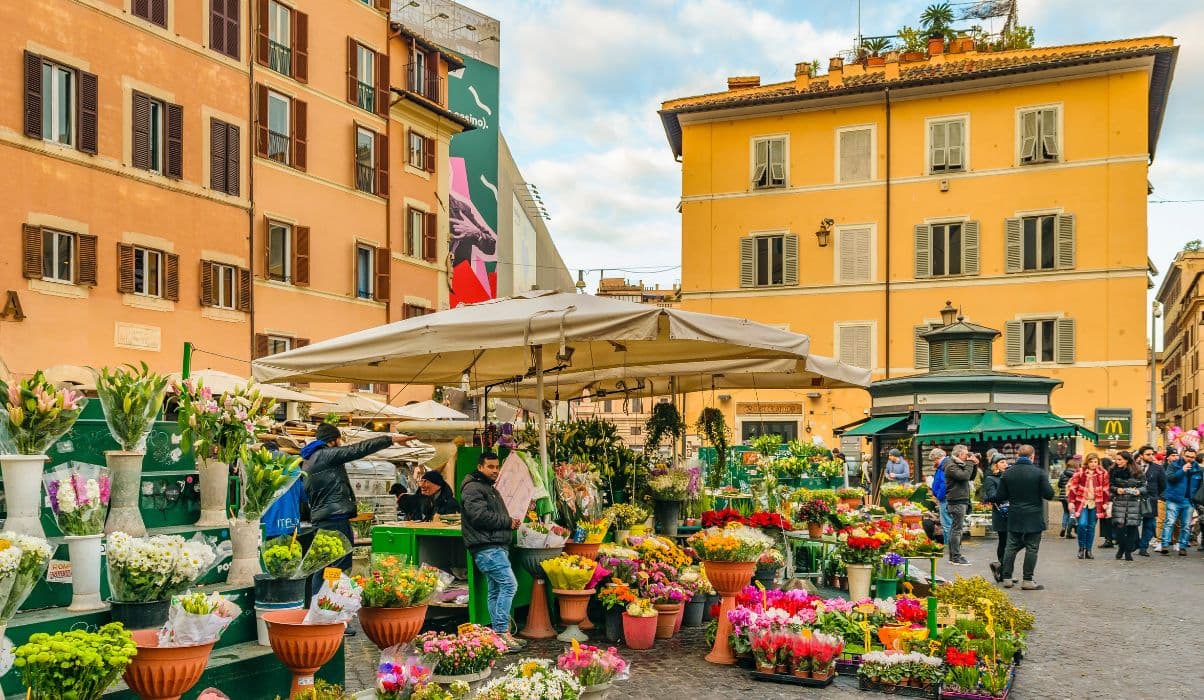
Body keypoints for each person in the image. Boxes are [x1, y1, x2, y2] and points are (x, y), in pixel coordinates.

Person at [302, 424, 415, 598]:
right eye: (339, 440)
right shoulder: (325, 455)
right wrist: (390, 439)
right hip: (335, 519)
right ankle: (324, 604)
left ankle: (321, 604)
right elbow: (357, 450)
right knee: (336, 564)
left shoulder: (308, 461)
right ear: (333, 441)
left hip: (324, 519)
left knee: (327, 563)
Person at [460, 451, 524, 651]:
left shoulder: (486, 487)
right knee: (509, 585)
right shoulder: (473, 488)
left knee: (495, 590)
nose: (495, 471)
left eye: (497, 467)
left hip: (493, 545)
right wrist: (508, 522)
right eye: (490, 467)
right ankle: (502, 632)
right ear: (480, 467)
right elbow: (479, 516)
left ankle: (499, 634)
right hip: (487, 547)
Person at [995, 445, 1054, 590]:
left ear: (1017, 456)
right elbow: (1049, 494)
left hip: (1015, 515)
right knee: (1032, 548)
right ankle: (1027, 580)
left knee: (1010, 546)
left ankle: (1007, 578)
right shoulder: (1039, 473)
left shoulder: (1008, 474)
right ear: (1032, 456)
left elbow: (1000, 496)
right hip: (1034, 516)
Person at [1161, 447, 1203, 556]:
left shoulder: (1198, 469)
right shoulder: (1174, 465)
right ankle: (1164, 545)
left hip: (1188, 501)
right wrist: (1182, 470)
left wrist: (1196, 499)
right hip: (1173, 499)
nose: (1189, 459)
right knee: (1169, 522)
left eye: (1192, 457)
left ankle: (1183, 546)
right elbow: (1170, 478)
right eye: (1187, 456)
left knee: (1186, 525)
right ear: (1183, 455)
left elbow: (1200, 486)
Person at [1067, 453, 1110, 560]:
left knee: (1091, 527)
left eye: (1095, 462)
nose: (1093, 464)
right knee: (1082, 524)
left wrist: (1106, 502)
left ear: (1098, 463)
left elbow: (1106, 489)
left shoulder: (1103, 473)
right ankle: (1081, 548)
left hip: (1096, 503)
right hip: (1082, 502)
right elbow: (1073, 487)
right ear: (1087, 462)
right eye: (1091, 461)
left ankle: (1089, 550)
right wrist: (1071, 501)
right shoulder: (1080, 472)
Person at [1107, 451, 1146, 562]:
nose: (1117, 462)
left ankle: (1128, 552)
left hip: (1133, 503)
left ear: (1127, 460)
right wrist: (1116, 489)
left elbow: (1144, 486)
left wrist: (1138, 491)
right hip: (1119, 502)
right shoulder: (1113, 470)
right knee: (1119, 529)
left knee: (1132, 529)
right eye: (1116, 459)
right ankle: (1121, 548)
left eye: (1120, 459)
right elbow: (1109, 485)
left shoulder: (1137, 471)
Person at [944, 445, 979, 566]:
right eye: (966, 454)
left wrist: (974, 464)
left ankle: (953, 556)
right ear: (959, 455)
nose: (967, 456)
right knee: (956, 530)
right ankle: (955, 557)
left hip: (961, 500)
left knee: (956, 529)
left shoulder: (959, 464)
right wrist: (970, 462)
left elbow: (971, 477)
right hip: (956, 501)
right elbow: (964, 476)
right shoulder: (950, 465)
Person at [983, 454, 1010, 582]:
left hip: (1013, 513)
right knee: (1004, 541)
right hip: (1001, 514)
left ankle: (1000, 567)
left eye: (1006, 462)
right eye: (1002, 462)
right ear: (995, 465)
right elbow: (992, 496)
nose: (1006, 464)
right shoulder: (990, 479)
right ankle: (1004, 571)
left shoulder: (1009, 476)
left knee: (1015, 542)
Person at [1136, 446, 1165, 556]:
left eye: (1152, 454)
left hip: (1151, 499)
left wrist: (1155, 496)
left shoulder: (1158, 468)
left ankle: (1143, 547)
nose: (1151, 456)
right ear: (1141, 456)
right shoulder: (1134, 467)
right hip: (1135, 498)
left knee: (1150, 525)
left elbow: (1163, 485)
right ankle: (1136, 542)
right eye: (1148, 454)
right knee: (1133, 523)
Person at [929, 447, 953, 541]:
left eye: (933, 460)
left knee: (947, 524)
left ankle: (949, 546)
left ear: (936, 458)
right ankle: (952, 545)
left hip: (944, 498)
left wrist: (939, 496)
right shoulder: (944, 465)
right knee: (948, 523)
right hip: (945, 497)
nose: (933, 463)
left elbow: (944, 483)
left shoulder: (944, 465)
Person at [1055, 456, 1079, 539]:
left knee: (1066, 512)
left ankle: (1063, 527)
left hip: (1063, 496)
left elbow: (1059, 485)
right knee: (1072, 513)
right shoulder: (1076, 475)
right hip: (1071, 496)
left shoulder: (1063, 474)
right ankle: (1069, 532)